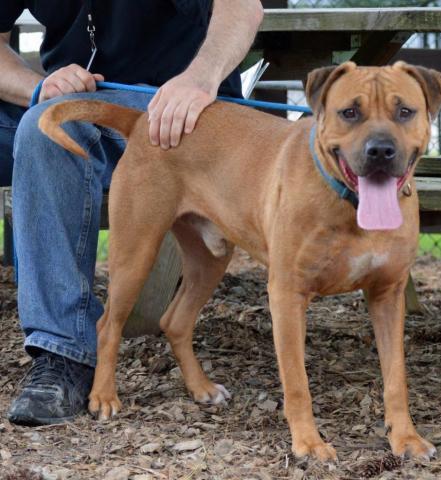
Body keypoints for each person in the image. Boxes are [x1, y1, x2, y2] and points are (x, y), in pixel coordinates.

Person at [0, 0, 263, 426]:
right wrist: (38, 85)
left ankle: (61, 351)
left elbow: (242, 7)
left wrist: (199, 79)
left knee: (43, 130)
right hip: (76, 103)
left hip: (180, 108)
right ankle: (62, 349)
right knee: (45, 122)